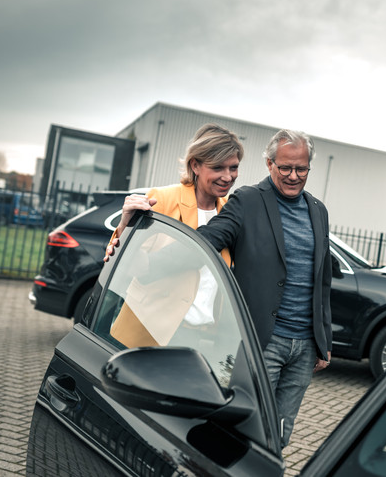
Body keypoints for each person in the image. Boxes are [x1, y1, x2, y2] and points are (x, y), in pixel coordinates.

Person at [197, 129, 332, 448]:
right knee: (248, 429)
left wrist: (323, 339)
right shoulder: (247, 200)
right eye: (285, 167)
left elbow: (323, 279)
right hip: (262, 341)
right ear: (269, 164)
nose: (294, 176)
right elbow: (207, 240)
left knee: (280, 433)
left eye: (301, 168)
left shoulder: (318, 210)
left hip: (305, 348)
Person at [104, 122, 243, 268]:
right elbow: (128, 263)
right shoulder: (161, 200)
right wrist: (124, 225)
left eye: (233, 167)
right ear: (195, 165)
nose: (228, 177)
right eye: (217, 167)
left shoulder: (231, 209)